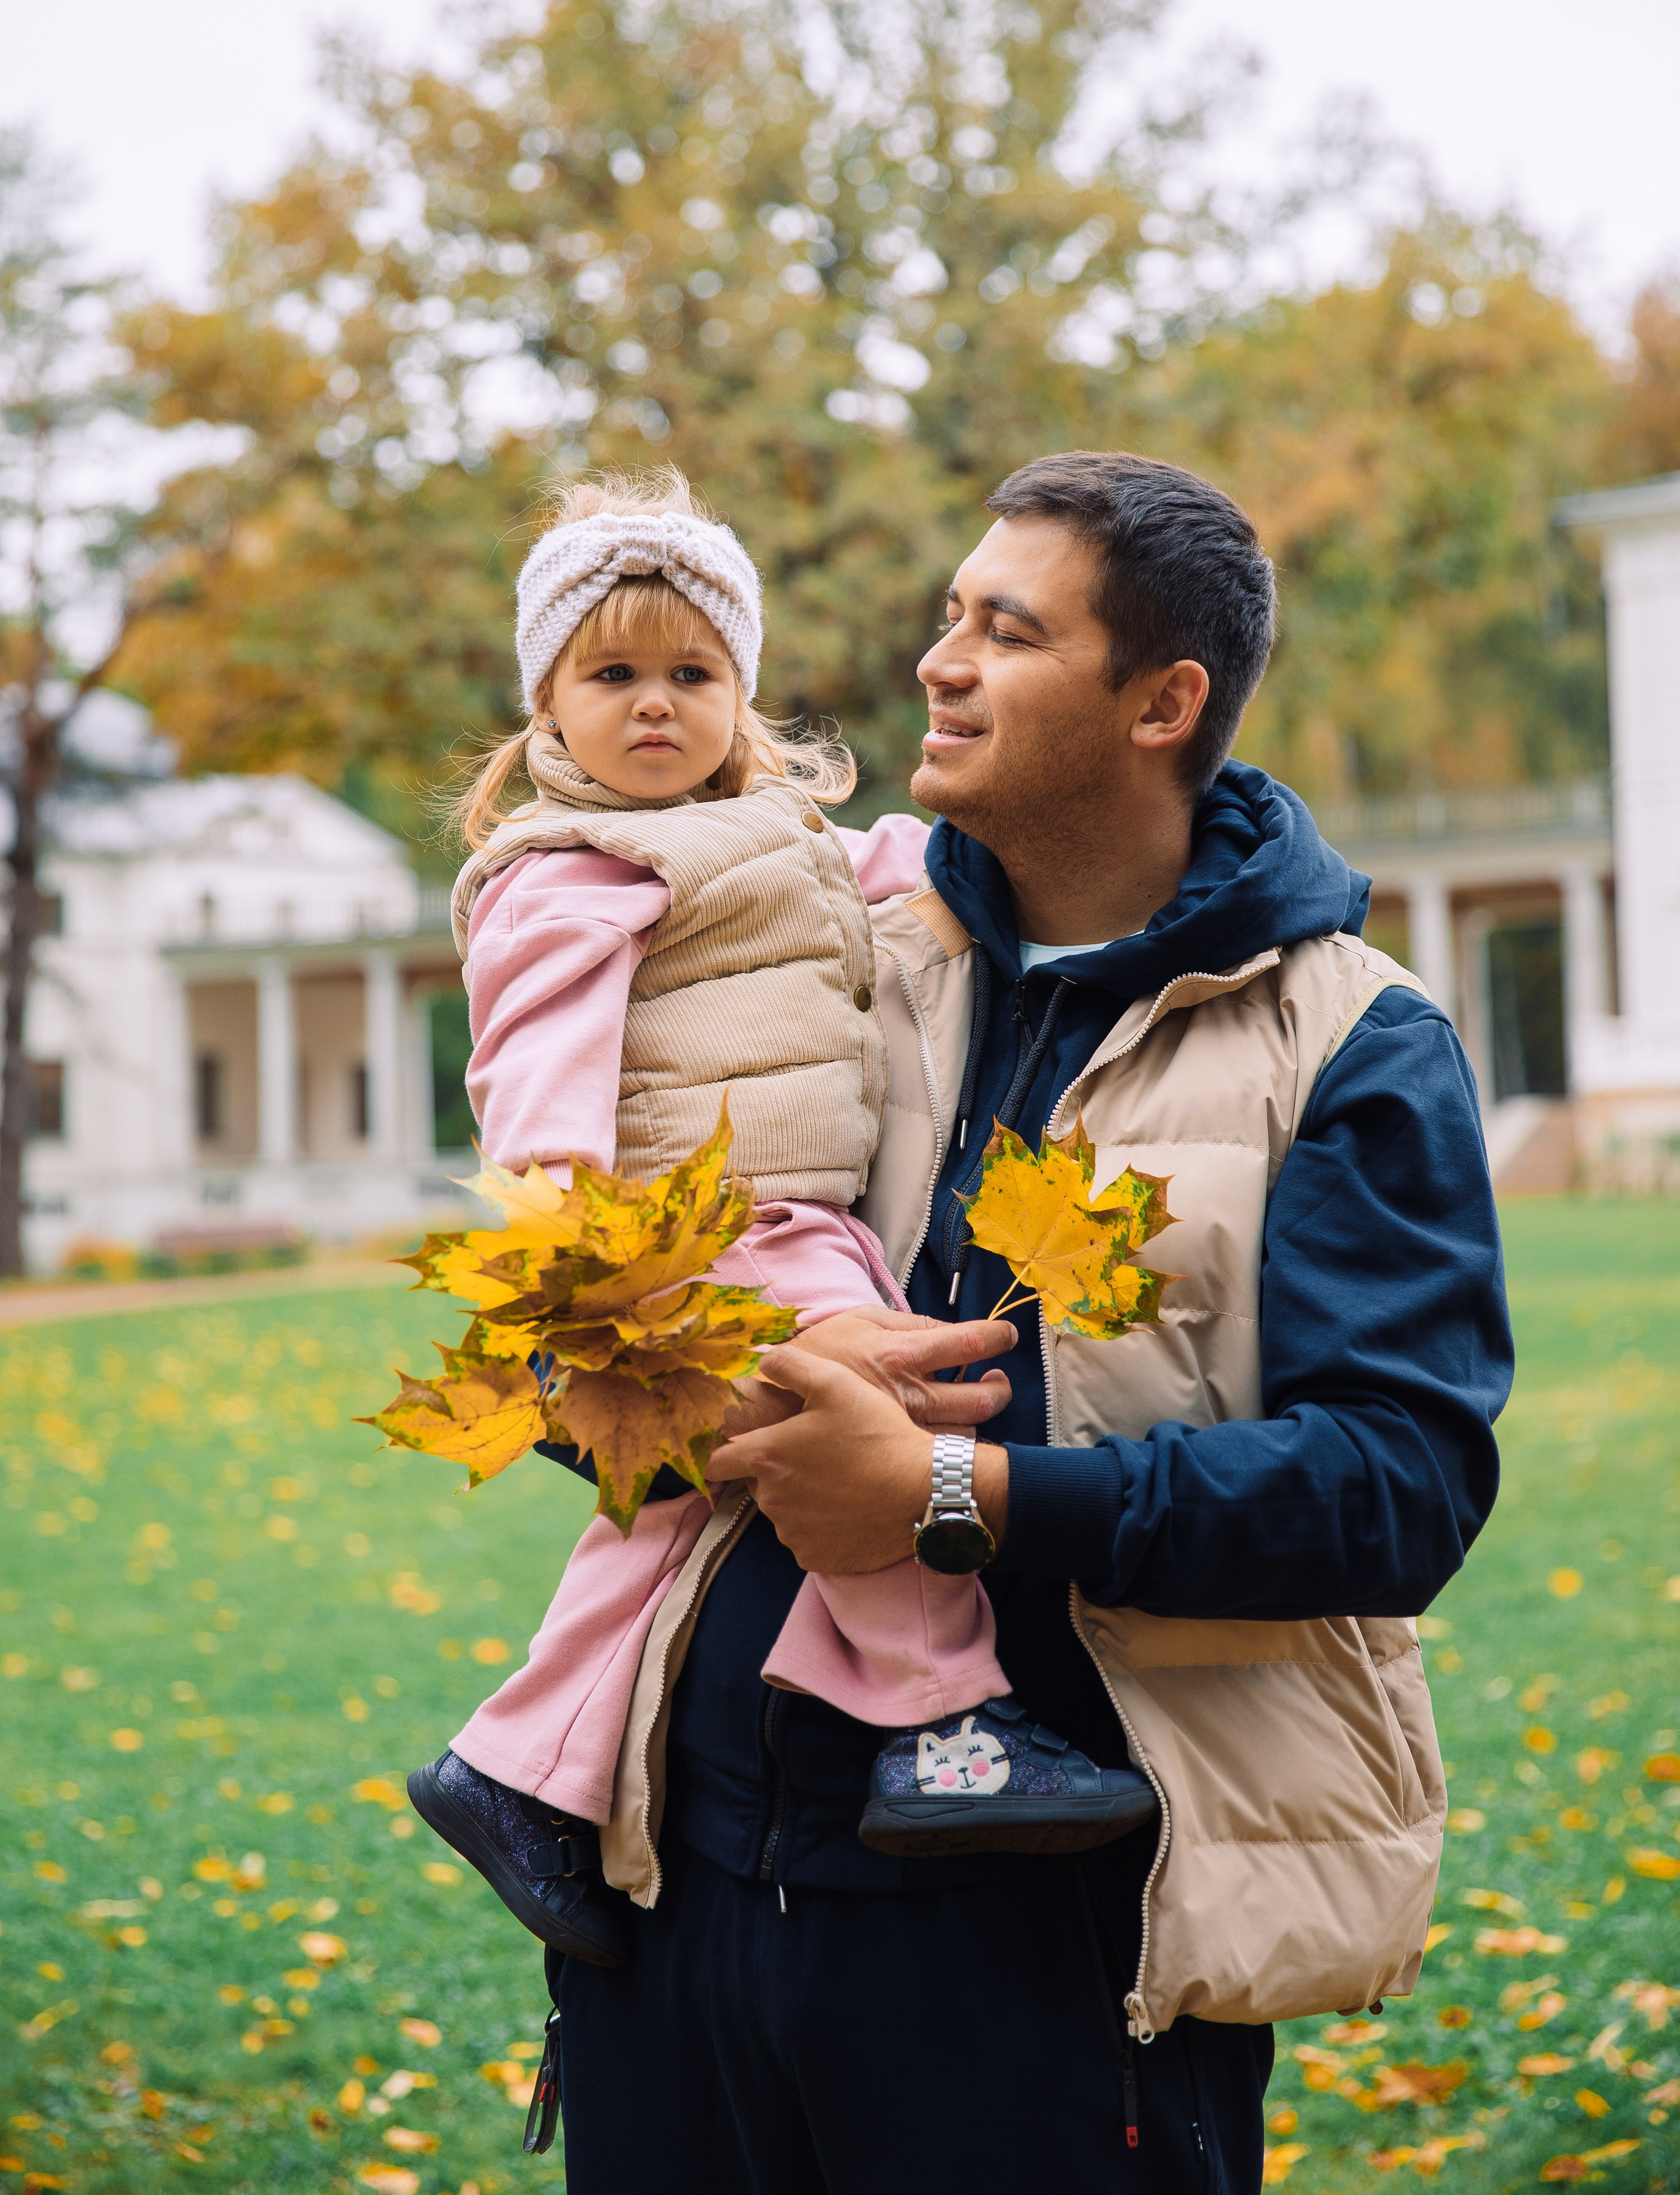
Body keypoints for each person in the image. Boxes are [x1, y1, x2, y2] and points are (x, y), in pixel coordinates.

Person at [548, 451, 1515, 2194]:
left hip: (1059, 1942)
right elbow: (568, 1343)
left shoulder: (1350, 1044)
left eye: (1006, 629)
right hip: (674, 1897)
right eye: (948, 615)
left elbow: (1399, 1489)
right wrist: (717, 1371)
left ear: (1162, 701)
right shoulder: (820, 953)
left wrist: (956, 1497)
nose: (941, 661)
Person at [406, 472, 1155, 1971]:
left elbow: (916, 883)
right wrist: (590, 1279)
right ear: (547, 705)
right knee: (878, 1424)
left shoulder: (782, 838)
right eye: (611, 676)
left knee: (691, 1497)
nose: (656, 706)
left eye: (692, 673)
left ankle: (512, 1770)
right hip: (698, 1228)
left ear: (737, 687)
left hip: (797, 1214)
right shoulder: (571, 875)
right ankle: (938, 1725)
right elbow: (534, 1089)